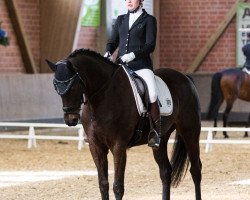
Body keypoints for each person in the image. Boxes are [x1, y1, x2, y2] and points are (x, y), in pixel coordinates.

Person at [104, 0, 160, 148]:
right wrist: (108, 52)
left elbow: (150, 45)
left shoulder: (149, 20)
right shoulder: (120, 19)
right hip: (121, 66)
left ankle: (155, 132)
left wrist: (133, 55)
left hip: (141, 66)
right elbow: (113, 41)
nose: (128, 1)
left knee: (152, 93)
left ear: (140, 1)